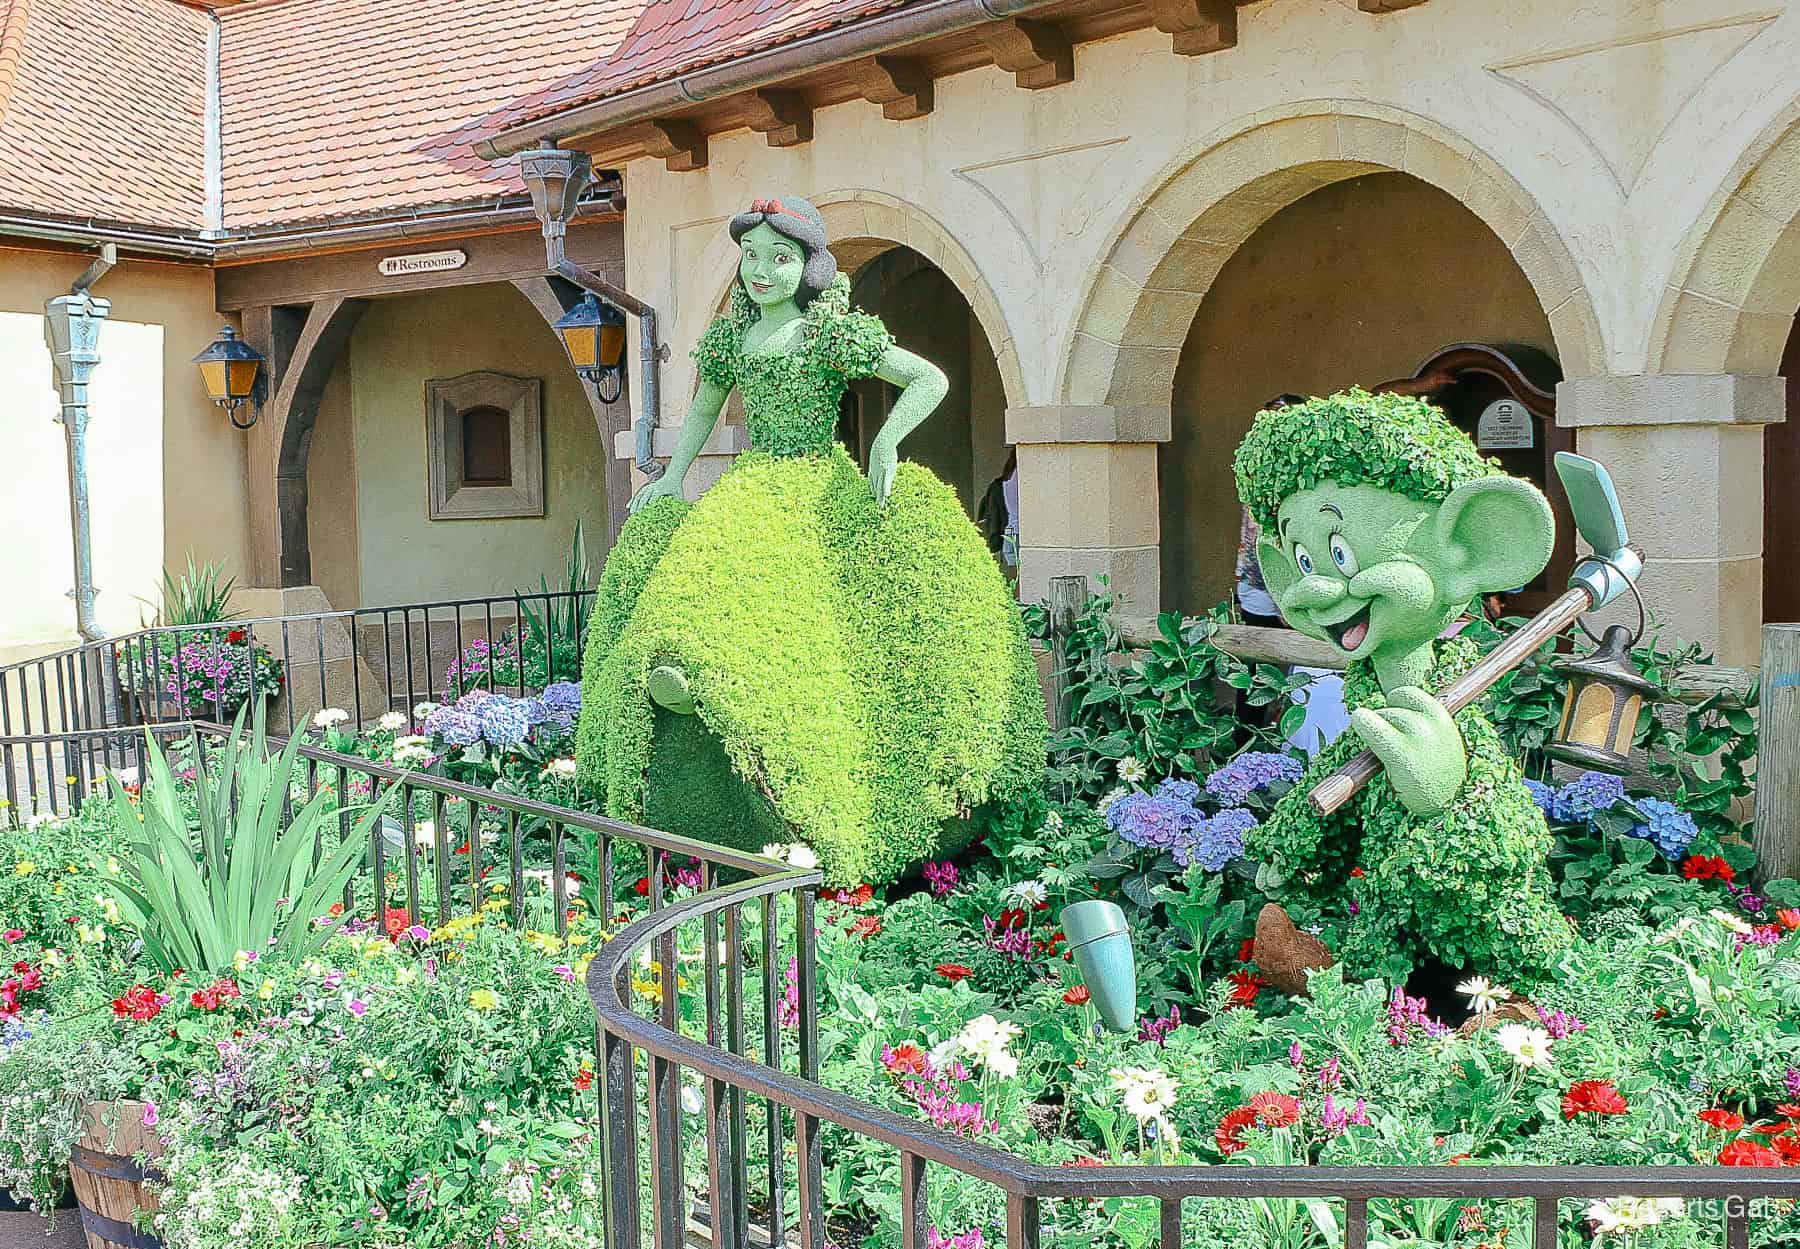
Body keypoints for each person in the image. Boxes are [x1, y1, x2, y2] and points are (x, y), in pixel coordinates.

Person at [575, 196, 1047, 886]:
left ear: (808, 266)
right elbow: (705, 404)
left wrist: (887, 438)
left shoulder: (828, 333)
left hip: (817, 491)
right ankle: (697, 717)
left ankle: (827, 793)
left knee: (826, 632)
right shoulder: (734, 337)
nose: (762, 270)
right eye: (753, 256)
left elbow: (927, 378)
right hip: (751, 489)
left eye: (781, 257)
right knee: (704, 592)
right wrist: (672, 476)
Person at [1234, 394, 1304, 628]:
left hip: (1294, 594)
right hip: (1258, 591)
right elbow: (1253, 533)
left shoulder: (1304, 473)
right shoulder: (1257, 467)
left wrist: (1282, 600)